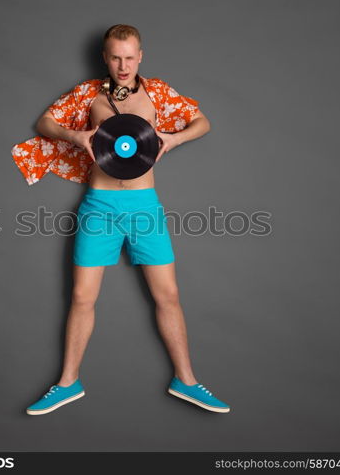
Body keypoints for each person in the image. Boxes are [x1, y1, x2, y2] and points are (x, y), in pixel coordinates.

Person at [18, 24, 230, 415]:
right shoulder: (88, 94)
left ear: (141, 56)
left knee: (168, 296)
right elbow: (44, 124)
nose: (123, 64)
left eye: (130, 56)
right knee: (82, 297)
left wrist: (173, 139)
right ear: (105, 56)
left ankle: (187, 380)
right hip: (99, 206)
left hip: (144, 208)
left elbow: (203, 122)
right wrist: (75, 136)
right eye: (116, 56)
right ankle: (68, 383)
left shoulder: (158, 92)